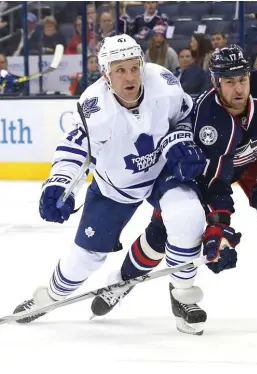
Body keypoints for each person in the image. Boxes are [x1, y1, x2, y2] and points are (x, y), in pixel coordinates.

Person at [95, 45, 257, 331]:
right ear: (215, 83)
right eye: (229, 82)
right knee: (162, 232)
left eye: (242, 79)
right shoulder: (208, 122)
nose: (238, 89)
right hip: (212, 170)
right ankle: (123, 280)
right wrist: (218, 227)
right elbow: (215, 184)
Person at [13, 34, 208, 335]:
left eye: (134, 68)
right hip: (115, 187)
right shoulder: (95, 108)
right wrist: (58, 184)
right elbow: (74, 149)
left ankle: (184, 296)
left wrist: (181, 139)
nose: (130, 78)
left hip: (161, 173)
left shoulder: (165, 84)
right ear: (106, 74)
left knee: (187, 214)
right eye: (120, 70)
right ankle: (48, 297)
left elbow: (186, 117)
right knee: (85, 259)